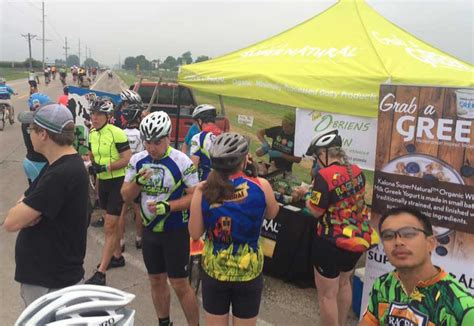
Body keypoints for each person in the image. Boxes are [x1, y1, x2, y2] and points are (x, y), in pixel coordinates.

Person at [189, 132, 279, 326]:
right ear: (244, 160)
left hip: (214, 270)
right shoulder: (261, 185)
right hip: (249, 272)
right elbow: (273, 213)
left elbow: (195, 233)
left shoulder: (203, 190)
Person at [3, 103, 89, 306]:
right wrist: (28, 212)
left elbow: (11, 222)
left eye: (32, 129)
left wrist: (26, 214)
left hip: (51, 282)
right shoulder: (59, 165)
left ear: (44, 135)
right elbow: (23, 202)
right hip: (51, 278)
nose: (29, 133)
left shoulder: (60, 174)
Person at [121, 111, 200, 326]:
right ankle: (163, 322)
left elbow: (195, 197)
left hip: (175, 231)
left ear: (168, 137)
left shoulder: (182, 161)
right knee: (155, 280)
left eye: (157, 142)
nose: (151, 147)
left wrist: (169, 206)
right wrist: (137, 181)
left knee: (179, 284)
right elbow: (125, 195)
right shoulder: (138, 160)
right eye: (147, 142)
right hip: (150, 233)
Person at [305, 129, 379, 326]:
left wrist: (306, 195)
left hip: (330, 242)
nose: (316, 161)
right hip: (355, 240)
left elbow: (315, 211)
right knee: (345, 283)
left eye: (316, 156)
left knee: (327, 295)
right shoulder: (357, 171)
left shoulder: (324, 175)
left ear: (324, 154)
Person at [360, 206, 474, 326]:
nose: (398, 242)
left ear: (430, 243)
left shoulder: (461, 307)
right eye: (388, 236)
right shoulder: (384, 285)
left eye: (408, 233)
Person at [84, 97, 132, 286]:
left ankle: (101, 273)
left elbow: (127, 158)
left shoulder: (117, 133)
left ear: (108, 116)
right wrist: (93, 166)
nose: (94, 118)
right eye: (92, 114)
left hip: (118, 181)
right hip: (102, 182)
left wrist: (105, 167)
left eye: (98, 114)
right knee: (111, 219)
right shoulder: (93, 133)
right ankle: (117, 256)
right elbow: (92, 154)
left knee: (110, 225)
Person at [118, 103, 145, 251]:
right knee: (137, 209)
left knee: (121, 210)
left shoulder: (120, 133)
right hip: (137, 175)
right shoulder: (142, 134)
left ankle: (121, 241)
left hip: (123, 176)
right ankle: (139, 238)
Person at [21, 93, 52, 184]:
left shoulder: (26, 121)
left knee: (33, 189)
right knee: (43, 193)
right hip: (39, 163)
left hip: (29, 160)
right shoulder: (39, 124)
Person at [190, 104, 222, 181]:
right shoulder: (223, 135)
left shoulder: (198, 138)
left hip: (207, 183)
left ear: (200, 121)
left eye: (196, 123)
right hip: (223, 182)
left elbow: (193, 167)